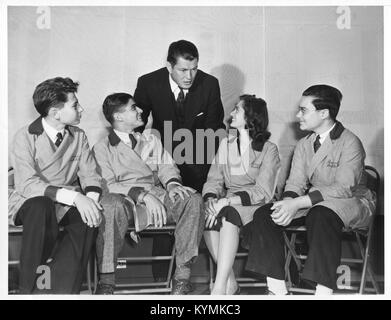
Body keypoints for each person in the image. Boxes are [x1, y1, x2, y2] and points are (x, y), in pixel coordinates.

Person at [243, 84, 376, 295]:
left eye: (304, 110)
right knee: (266, 214)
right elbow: (295, 183)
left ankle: (323, 292)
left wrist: (296, 204)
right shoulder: (304, 144)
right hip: (314, 202)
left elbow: (343, 189)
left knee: (321, 214)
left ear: (324, 113)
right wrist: (286, 204)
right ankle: (276, 289)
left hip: (350, 203)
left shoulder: (350, 142)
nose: (298, 115)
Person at [92, 92, 204, 295]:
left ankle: (181, 279)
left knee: (192, 200)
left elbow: (167, 167)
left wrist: (172, 185)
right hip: (125, 200)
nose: (141, 110)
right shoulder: (102, 148)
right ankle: (106, 282)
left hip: (158, 196)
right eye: (134, 107)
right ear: (118, 117)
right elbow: (107, 185)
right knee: (109, 205)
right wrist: (142, 196)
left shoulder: (151, 140)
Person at [134, 39, 225, 279]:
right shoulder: (148, 83)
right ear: (168, 66)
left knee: (196, 214)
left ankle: (186, 279)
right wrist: (158, 169)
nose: (190, 76)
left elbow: (214, 131)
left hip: (199, 162)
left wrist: (202, 176)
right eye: (183, 70)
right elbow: (136, 128)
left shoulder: (209, 84)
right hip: (162, 163)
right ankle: (161, 279)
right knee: (165, 222)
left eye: (194, 69)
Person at [9, 77, 104, 294]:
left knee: (88, 217)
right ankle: (28, 292)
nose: (81, 109)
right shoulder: (24, 136)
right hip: (30, 200)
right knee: (41, 206)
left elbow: (90, 175)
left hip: (64, 202)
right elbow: (27, 184)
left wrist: (89, 201)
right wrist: (76, 198)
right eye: (74, 105)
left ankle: (59, 292)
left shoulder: (79, 136)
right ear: (55, 112)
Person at [202, 95, 280, 295]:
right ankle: (230, 282)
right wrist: (211, 199)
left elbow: (262, 192)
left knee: (227, 214)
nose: (231, 114)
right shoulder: (226, 145)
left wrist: (227, 201)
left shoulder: (269, 149)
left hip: (257, 204)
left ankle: (219, 289)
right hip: (228, 202)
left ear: (250, 117)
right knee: (208, 216)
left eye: (236, 109)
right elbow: (214, 179)